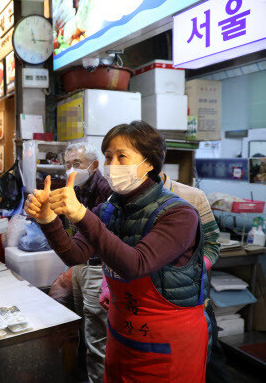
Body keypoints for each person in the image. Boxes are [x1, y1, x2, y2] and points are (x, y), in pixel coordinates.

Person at [25, 121, 208, 382]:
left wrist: (80, 214)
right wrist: (48, 221)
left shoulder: (179, 214)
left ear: (149, 162)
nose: (112, 165)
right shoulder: (109, 210)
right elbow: (74, 255)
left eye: (122, 156)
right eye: (108, 156)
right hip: (123, 334)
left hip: (168, 343)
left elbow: (136, 265)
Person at [98, 168, 225, 382]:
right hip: (133, 306)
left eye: (125, 156)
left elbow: (212, 244)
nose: (115, 167)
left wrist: (183, 272)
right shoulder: (118, 200)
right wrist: (106, 285)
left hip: (182, 303)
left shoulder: (191, 197)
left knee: (209, 367)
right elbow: (113, 247)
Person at [48, 142, 112, 383]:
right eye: (67, 165)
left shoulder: (105, 189)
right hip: (79, 266)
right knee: (83, 326)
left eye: (77, 164)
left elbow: (98, 233)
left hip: (97, 269)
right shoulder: (74, 187)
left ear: (95, 166)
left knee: (97, 336)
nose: (71, 170)